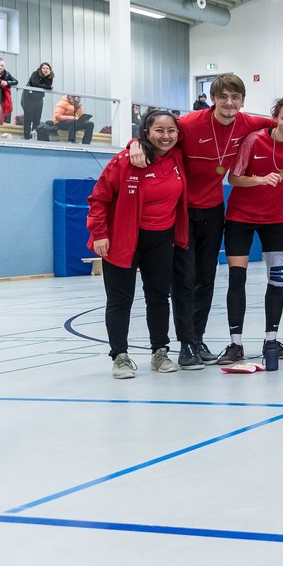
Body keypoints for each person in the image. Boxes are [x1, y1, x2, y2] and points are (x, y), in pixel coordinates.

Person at [127, 73, 283, 369]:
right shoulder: (189, 124)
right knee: (184, 279)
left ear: (242, 101)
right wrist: (134, 143)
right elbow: (159, 134)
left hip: (214, 210)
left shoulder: (249, 123)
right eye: (223, 97)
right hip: (183, 209)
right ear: (213, 98)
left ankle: (198, 339)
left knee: (206, 278)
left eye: (235, 98)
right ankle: (186, 344)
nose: (229, 103)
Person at [85, 109, 189, 378]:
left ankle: (160, 352)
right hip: (123, 239)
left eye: (171, 131)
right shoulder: (125, 160)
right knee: (120, 300)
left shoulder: (178, 156)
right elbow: (98, 200)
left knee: (158, 297)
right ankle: (119, 356)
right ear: (146, 132)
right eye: (159, 131)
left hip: (162, 239)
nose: (166, 136)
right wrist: (99, 234)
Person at [218, 96, 283, 365]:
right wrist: (258, 180)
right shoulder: (254, 140)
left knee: (277, 278)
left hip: (275, 220)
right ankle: (236, 344)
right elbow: (232, 178)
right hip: (240, 219)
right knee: (237, 279)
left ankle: (271, 338)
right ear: (275, 118)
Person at [22, 62, 53, 139]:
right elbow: (36, 84)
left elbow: (48, 85)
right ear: (40, 69)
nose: (45, 70)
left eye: (47, 68)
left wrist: (47, 78)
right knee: (28, 117)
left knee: (37, 118)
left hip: (39, 99)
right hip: (28, 97)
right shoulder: (35, 74)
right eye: (44, 68)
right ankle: (27, 137)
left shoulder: (50, 77)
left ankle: (34, 136)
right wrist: (47, 86)